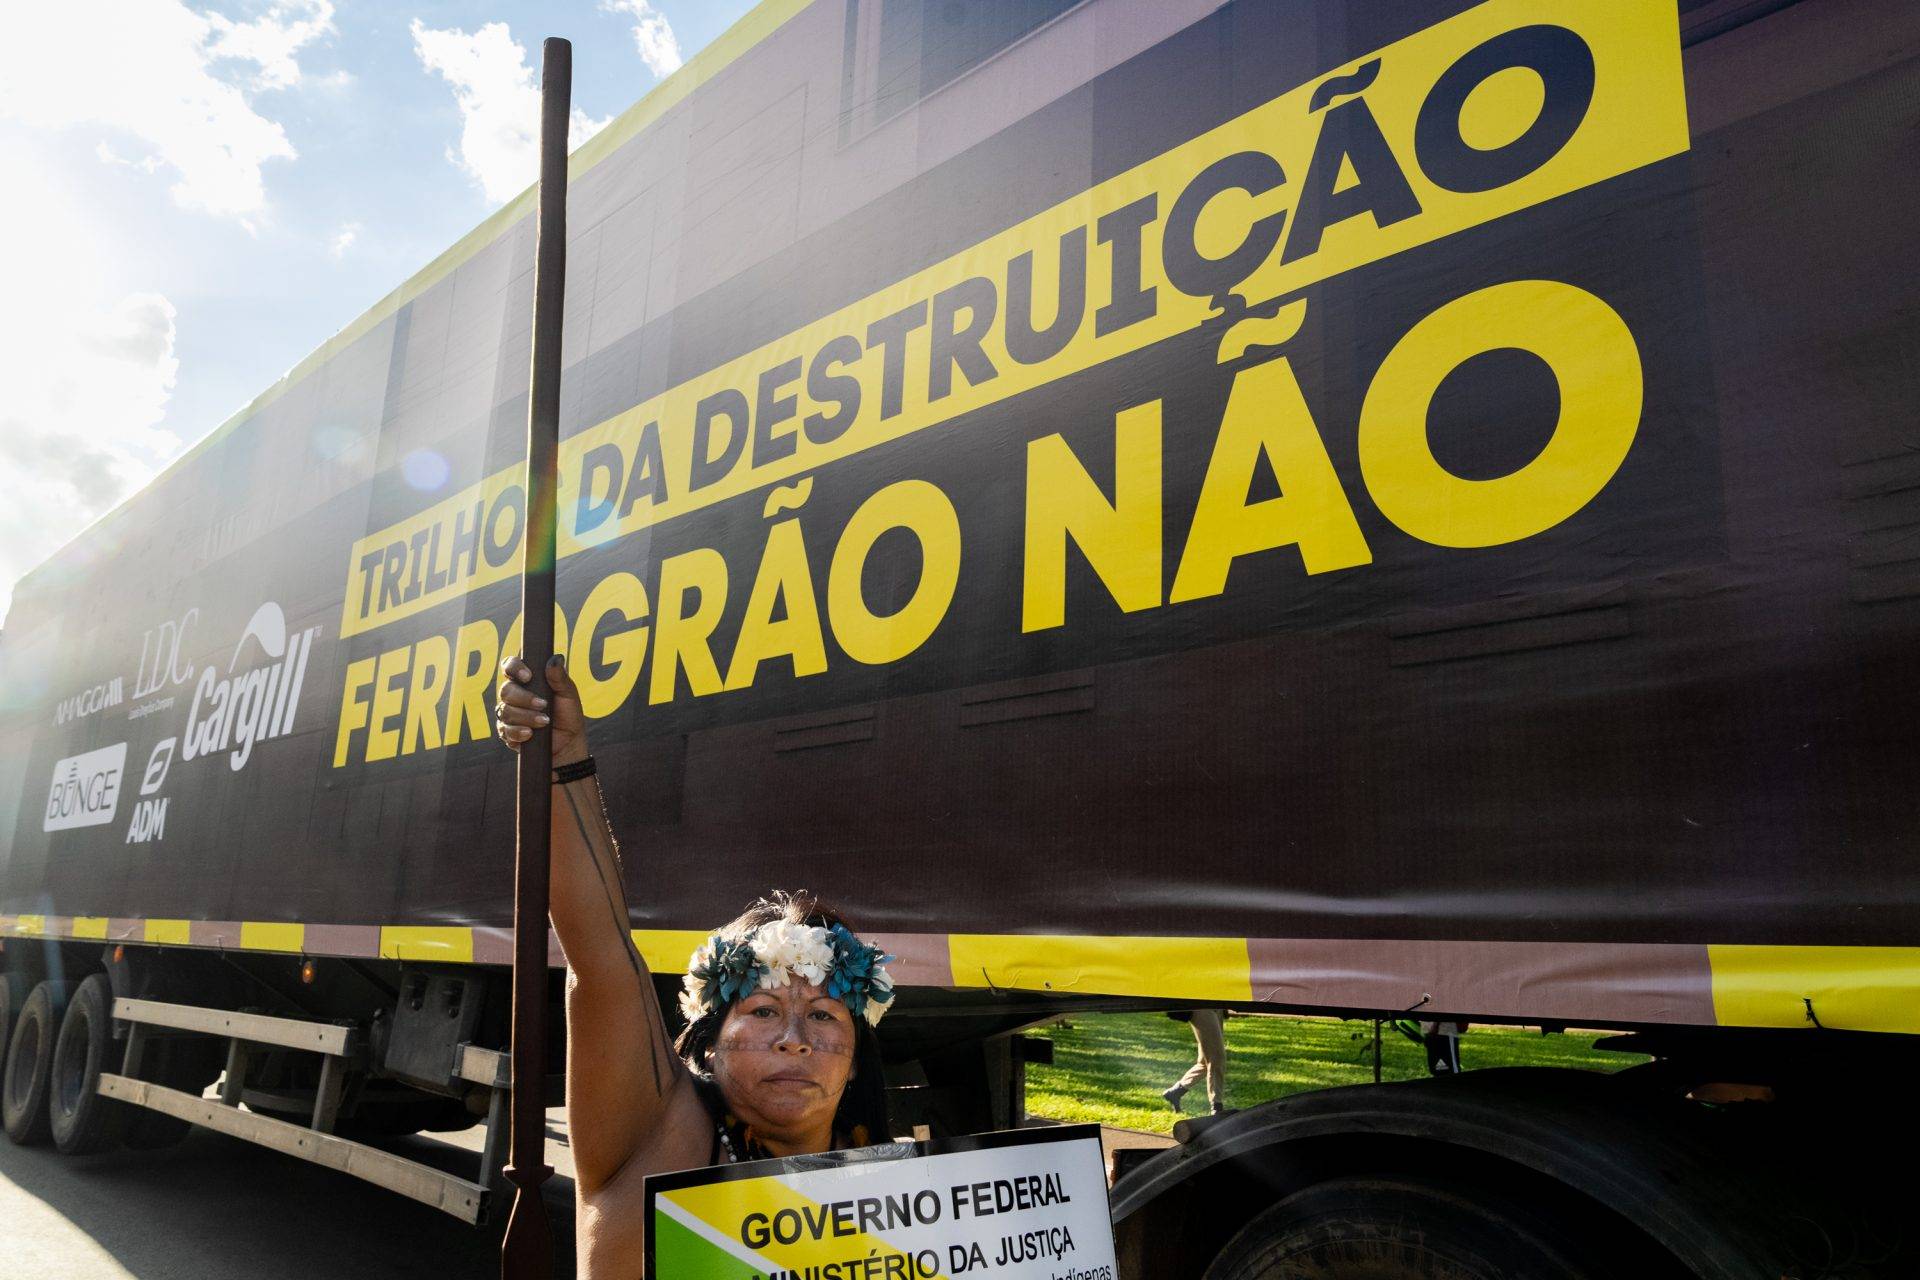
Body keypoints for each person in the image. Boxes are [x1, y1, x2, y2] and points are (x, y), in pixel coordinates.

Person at [495, 654, 895, 1278]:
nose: (794, 1040)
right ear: (710, 1040)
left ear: (855, 1057)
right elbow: (602, 957)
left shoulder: (904, 1190)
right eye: (764, 1010)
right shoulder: (657, 1134)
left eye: (822, 1015)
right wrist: (562, 757)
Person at [1162, 1007, 1227, 1115]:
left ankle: (1175, 1092)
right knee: (1216, 1058)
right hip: (1201, 1005)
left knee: (1204, 1062)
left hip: (1217, 1004)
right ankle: (1216, 1108)